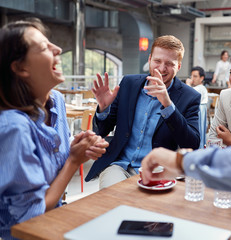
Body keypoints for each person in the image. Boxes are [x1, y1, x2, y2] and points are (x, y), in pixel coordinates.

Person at [0, 19, 108, 240]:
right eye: (43, 47)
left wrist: (77, 147)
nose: (58, 49)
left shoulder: (56, 101)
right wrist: (73, 161)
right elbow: (29, 219)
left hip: (56, 220)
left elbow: (47, 159)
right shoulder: (14, 127)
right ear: (20, 68)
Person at [85, 35, 201, 189]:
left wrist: (167, 104)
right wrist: (104, 108)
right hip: (119, 165)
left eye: (169, 64)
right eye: (157, 61)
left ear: (178, 66)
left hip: (158, 171)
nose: (161, 68)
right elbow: (102, 130)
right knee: (113, 198)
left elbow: (192, 144)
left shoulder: (190, 97)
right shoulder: (129, 84)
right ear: (150, 59)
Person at [186, 66, 208, 148]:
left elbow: (189, 93)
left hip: (199, 114)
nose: (192, 78)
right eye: (191, 76)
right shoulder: (196, 88)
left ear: (202, 78)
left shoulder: (201, 88)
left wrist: (188, 83)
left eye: (195, 76)